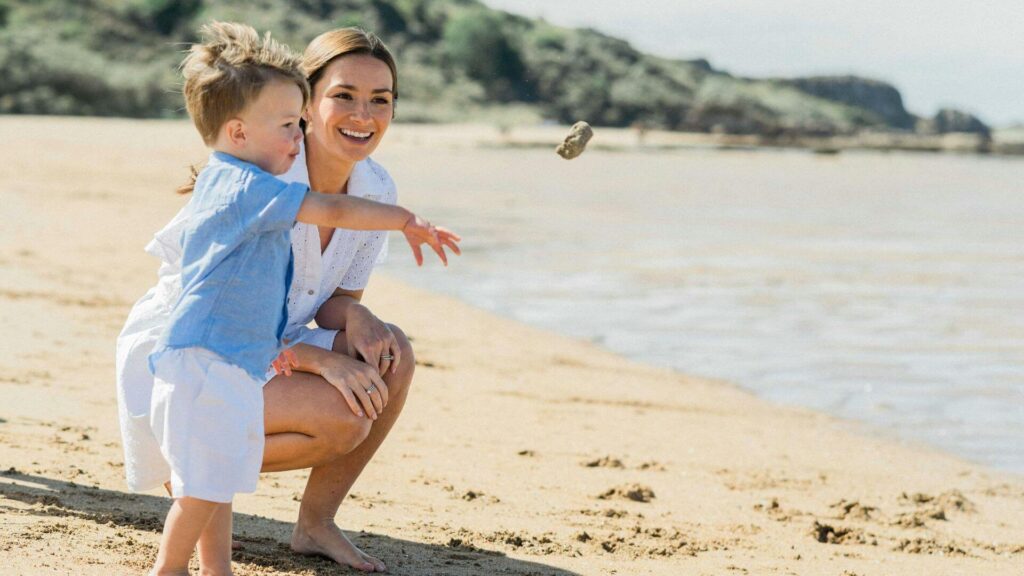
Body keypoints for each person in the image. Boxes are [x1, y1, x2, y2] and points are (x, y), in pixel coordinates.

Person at [127, 22, 459, 576]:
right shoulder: (260, 175)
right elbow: (214, 305)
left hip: (256, 346)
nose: (363, 114)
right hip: (193, 353)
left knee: (389, 351)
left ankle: (314, 524)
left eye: (381, 100)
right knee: (342, 420)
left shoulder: (374, 186)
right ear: (307, 103)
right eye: (344, 96)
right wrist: (316, 358)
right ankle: (191, 469)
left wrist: (357, 316)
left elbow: (335, 298)